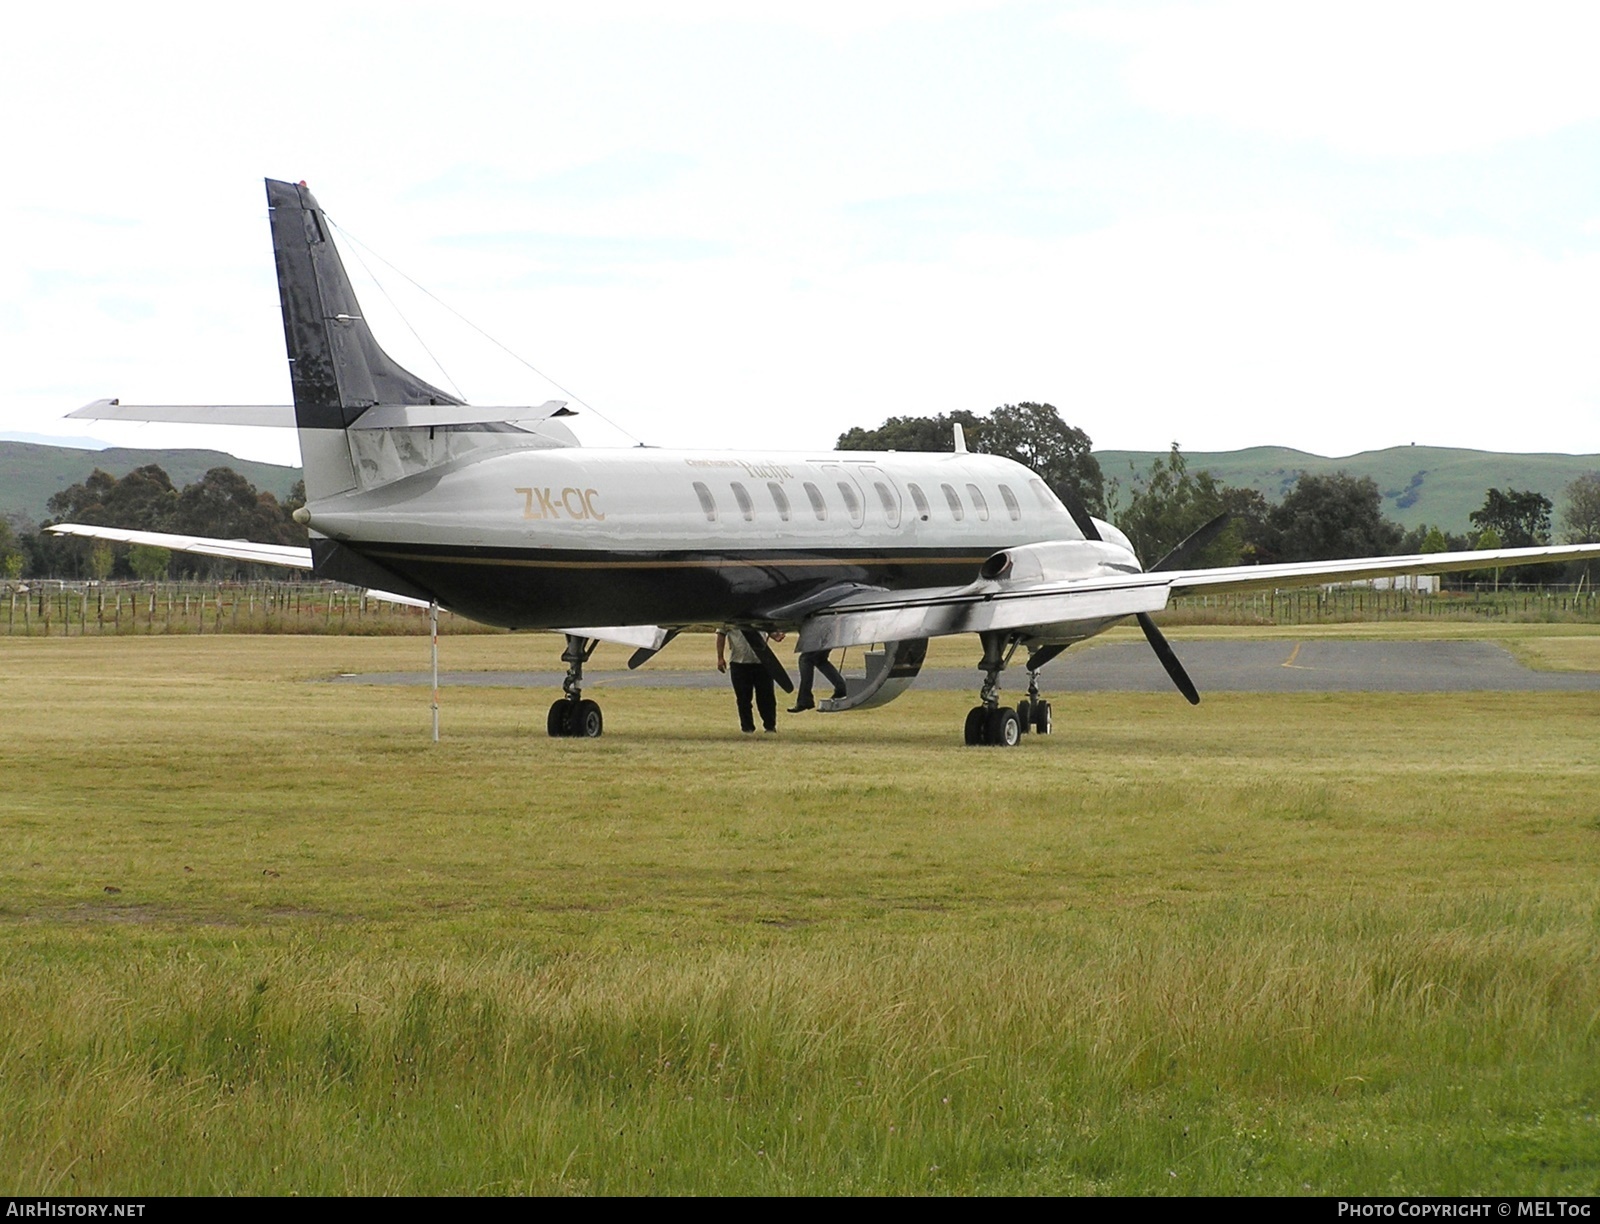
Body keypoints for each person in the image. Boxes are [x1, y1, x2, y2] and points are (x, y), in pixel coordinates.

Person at [716, 628, 786, 734]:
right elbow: (721, 635)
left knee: (767, 697)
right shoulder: (730, 617)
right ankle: (747, 728)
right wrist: (720, 658)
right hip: (739, 663)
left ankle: (770, 726)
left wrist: (776, 635)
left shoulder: (759, 615)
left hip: (762, 663)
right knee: (743, 698)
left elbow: (767, 628)